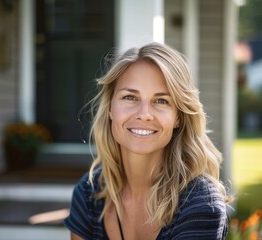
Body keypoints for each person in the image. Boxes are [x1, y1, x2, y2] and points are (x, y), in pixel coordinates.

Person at [63, 42, 230, 240]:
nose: (144, 114)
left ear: (178, 117)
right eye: (130, 97)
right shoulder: (89, 193)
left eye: (161, 101)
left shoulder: (200, 203)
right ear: (110, 108)